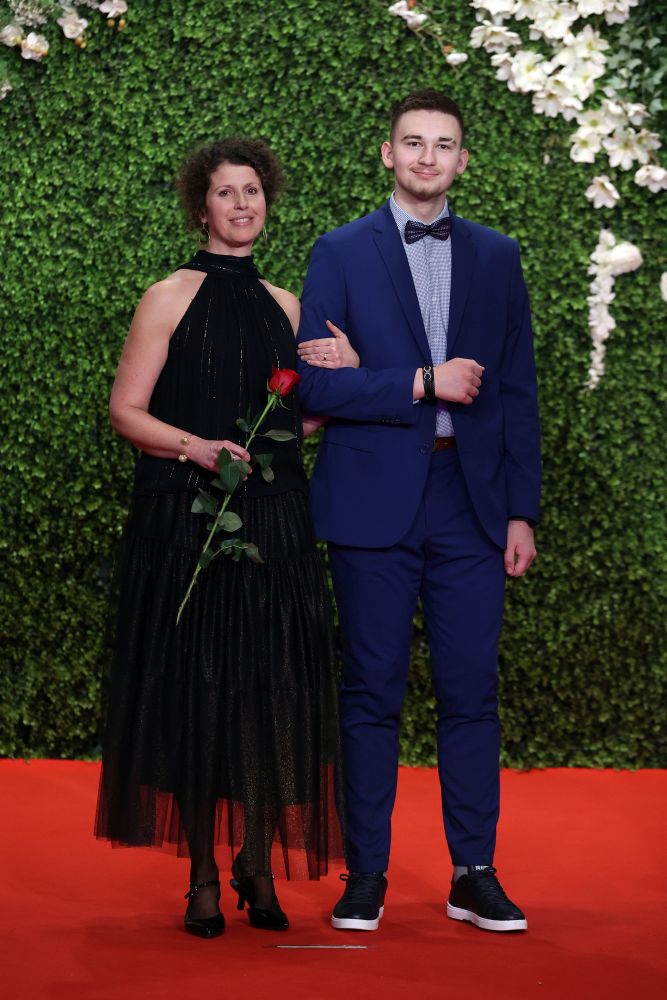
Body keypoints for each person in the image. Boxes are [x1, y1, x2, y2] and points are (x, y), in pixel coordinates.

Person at [95, 138, 358, 938]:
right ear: (200, 207)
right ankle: (202, 875)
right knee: (198, 690)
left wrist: (347, 369)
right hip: (185, 520)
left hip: (275, 523)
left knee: (268, 690)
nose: (242, 204)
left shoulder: (287, 306)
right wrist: (198, 449)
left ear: (265, 202)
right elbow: (126, 411)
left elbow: (296, 422)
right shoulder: (166, 297)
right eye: (226, 192)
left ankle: (254, 862)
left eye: (253, 191)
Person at [296, 90, 540, 933]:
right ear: (387, 154)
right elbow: (313, 386)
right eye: (412, 142)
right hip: (370, 498)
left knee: (471, 689)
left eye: (442, 144)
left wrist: (519, 511)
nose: (426, 157)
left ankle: (474, 872)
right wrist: (414, 381)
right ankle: (365, 873)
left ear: (462, 161)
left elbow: (516, 392)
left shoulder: (497, 256)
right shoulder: (338, 251)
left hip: (472, 505)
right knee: (369, 690)